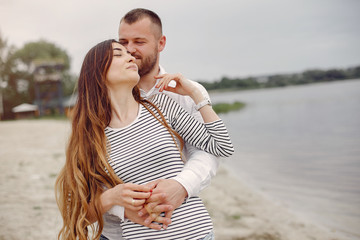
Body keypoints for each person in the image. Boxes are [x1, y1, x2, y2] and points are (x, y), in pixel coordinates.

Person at [55, 40, 234, 240]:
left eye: (129, 53)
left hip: (198, 234)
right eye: (118, 54)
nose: (131, 56)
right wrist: (111, 198)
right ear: (97, 72)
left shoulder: (162, 107)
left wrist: (196, 94)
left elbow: (222, 147)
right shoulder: (91, 136)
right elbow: (76, 213)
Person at [117, 8, 221, 230]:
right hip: (117, 230)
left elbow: (207, 150)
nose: (129, 50)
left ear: (160, 43)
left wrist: (181, 185)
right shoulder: (107, 96)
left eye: (139, 41)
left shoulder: (184, 93)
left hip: (177, 225)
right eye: (123, 42)